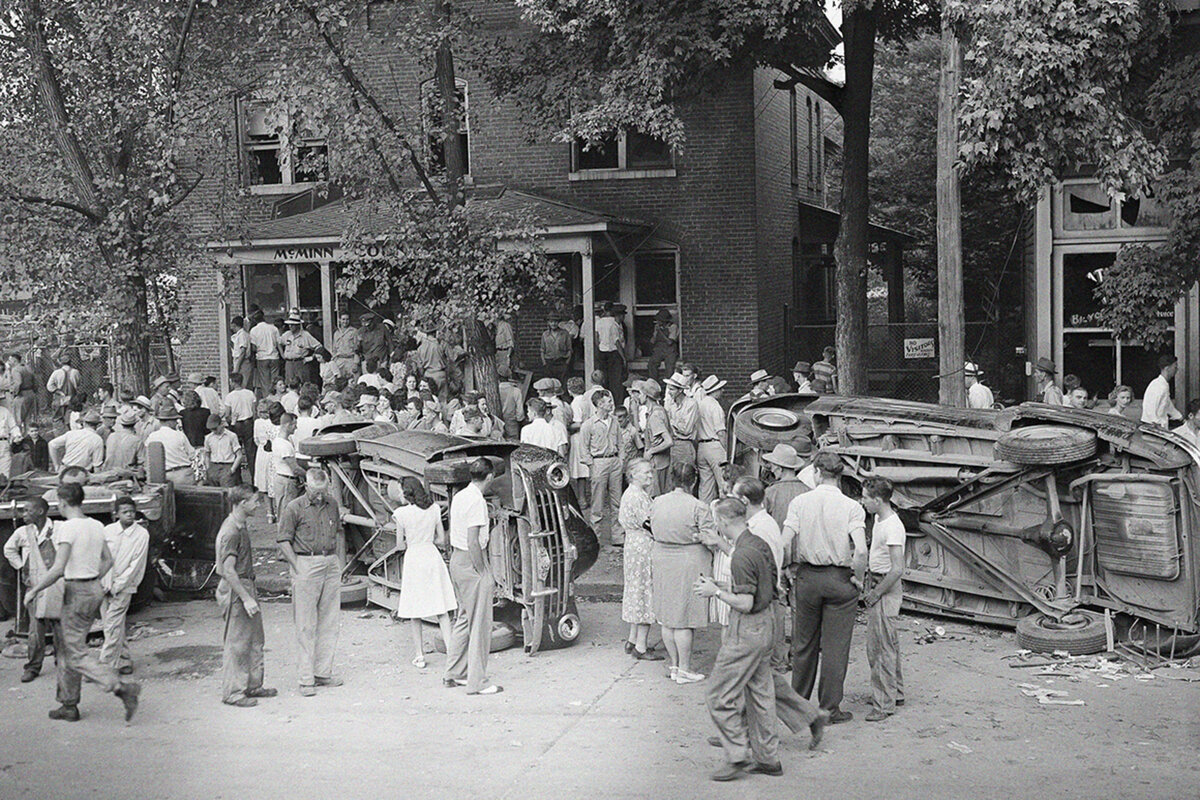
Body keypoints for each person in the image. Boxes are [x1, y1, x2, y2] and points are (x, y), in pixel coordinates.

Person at [25, 482, 140, 722]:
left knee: (74, 652)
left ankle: (120, 687)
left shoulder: (67, 529)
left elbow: (58, 568)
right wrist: (93, 577)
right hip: (92, 588)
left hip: (76, 590)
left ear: (63, 502)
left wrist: (34, 590)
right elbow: (108, 560)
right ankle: (69, 704)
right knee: (68, 648)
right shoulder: (97, 526)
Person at [695, 497, 784, 781]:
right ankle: (768, 758)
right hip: (766, 624)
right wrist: (720, 585)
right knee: (760, 693)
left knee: (718, 694)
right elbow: (764, 587)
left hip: (746, 630)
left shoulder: (741, 555)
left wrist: (716, 593)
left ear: (721, 522)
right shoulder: (758, 543)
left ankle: (736, 753)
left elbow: (745, 603)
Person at [782, 451, 867, 722]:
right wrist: (859, 578)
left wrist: (784, 569)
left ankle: (798, 705)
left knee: (804, 643)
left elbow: (784, 541)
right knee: (835, 646)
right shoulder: (852, 506)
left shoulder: (800, 502)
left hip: (808, 577)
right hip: (839, 578)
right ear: (839, 475)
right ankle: (830, 708)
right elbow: (862, 551)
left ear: (817, 473)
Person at [277, 468, 344, 696]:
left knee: (329, 621)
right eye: (316, 491)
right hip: (306, 563)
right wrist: (297, 565)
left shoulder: (332, 503)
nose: (320, 496)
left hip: (330, 562)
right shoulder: (294, 507)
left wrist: (339, 562)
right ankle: (306, 679)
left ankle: (323, 673)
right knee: (306, 624)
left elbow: (339, 533)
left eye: (323, 491)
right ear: (306, 486)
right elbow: (284, 540)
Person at [650, 462, 714, 684]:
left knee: (668, 617)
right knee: (684, 618)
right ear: (694, 481)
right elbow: (709, 538)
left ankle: (675, 665)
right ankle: (685, 668)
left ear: (672, 480)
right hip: (688, 560)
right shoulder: (699, 506)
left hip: (661, 557)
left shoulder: (657, 502)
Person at [444, 458, 503, 695]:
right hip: (471, 561)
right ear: (489, 477)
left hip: (457, 561)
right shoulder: (477, 502)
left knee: (464, 619)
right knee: (480, 622)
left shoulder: (460, 496)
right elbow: (473, 541)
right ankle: (477, 681)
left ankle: (454, 672)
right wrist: (484, 572)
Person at [215, 485, 277, 707]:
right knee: (238, 642)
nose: (258, 504)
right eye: (255, 501)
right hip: (236, 588)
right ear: (242, 504)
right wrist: (246, 598)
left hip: (245, 584)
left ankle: (252, 685)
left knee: (254, 639)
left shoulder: (239, 525)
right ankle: (233, 692)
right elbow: (227, 570)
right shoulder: (231, 531)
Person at [392, 477, 457, 670]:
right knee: (441, 608)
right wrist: (426, 539)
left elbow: (399, 544)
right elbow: (441, 538)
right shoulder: (434, 509)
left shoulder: (401, 514)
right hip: (431, 556)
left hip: (414, 558)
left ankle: (419, 656)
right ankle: (452, 654)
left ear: (406, 492)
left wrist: (412, 541)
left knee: (415, 611)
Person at [860, 477, 906, 722]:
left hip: (885, 585)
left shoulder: (892, 526)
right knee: (887, 642)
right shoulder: (879, 519)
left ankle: (884, 703)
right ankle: (894, 692)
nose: (862, 501)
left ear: (877, 500)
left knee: (880, 647)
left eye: (865, 497)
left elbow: (897, 569)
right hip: (878, 580)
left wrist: (876, 593)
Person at [732, 476, 789, 674]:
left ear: (745, 501)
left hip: (764, 596)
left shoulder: (760, 528)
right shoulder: (763, 522)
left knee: (764, 658)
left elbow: (761, 567)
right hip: (767, 592)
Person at [4, 497, 62, 684]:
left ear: (40, 511)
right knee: (35, 629)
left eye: (27, 511)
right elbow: (9, 549)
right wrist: (22, 566)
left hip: (55, 584)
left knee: (60, 627)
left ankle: (62, 663)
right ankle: (33, 666)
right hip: (34, 587)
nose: (23, 515)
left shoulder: (59, 529)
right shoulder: (23, 532)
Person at [618, 459, 664, 661]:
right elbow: (649, 524)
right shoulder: (637, 497)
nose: (650, 476)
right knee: (645, 592)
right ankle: (641, 646)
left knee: (636, 589)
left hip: (633, 545)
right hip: (643, 546)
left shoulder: (631, 493)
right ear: (634, 474)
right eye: (646, 473)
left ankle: (632, 639)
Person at [99, 496, 149, 675]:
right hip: (104, 583)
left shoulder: (142, 534)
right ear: (116, 514)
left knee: (112, 623)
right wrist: (103, 582)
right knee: (112, 624)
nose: (129, 515)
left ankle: (104, 666)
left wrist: (118, 585)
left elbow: (136, 564)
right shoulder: (108, 531)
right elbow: (102, 558)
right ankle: (124, 660)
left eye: (132, 512)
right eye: (125, 512)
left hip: (125, 584)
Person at [581, 389, 624, 548]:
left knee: (616, 500)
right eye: (609, 402)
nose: (612, 404)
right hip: (598, 462)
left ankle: (618, 536)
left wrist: (621, 460)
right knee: (597, 502)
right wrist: (591, 466)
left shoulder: (614, 421)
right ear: (599, 404)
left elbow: (621, 442)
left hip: (614, 462)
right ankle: (596, 538)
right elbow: (584, 448)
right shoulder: (588, 424)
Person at [694, 375, 728, 504]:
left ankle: (705, 514)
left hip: (702, 447)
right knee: (723, 483)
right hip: (715, 446)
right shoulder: (715, 406)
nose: (722, 391)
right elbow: (721, 432)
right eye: (720, 389)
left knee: (705, 487)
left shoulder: (699, 404)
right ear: (715, 391)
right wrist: (727, 451)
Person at [761, 443, 811, 528]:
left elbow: (762, 523)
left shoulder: (770, 492)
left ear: (780, 469)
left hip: (778, 539)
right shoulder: (808, 491)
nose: (772, 470)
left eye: (773, 466)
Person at [637, 379, 673, 495]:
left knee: (656, 496)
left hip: (658, 463)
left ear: (646, 396)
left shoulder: (655, 415)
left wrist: (650, 451)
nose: (638, 396)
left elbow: (668, 441)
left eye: (640, 393)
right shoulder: (658, 410)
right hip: (661, 462)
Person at [143, 409, 196, 486]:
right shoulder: (179, 435)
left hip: (163, 474)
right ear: (170, 422)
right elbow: (192, 454)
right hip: (182, 473)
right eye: (175, 421)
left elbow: (147, 457)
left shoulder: (152, 437)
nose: (176, 423)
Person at [225, 373, 257, 475]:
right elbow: (254, 411)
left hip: (236, 424)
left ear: (233, 382)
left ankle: (237, 478)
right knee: (251, 453)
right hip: (248, 422)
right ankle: (254, 478)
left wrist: (230, 420)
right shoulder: (250, 393)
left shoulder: (229, 396)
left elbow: (227, 414)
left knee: (236, 452)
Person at [567, 378, 593, 502]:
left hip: (578, 436)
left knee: (579, 469)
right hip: (588, 435)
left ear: (570, 390)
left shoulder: (576, 402)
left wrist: (568, 426)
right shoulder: (587, 399)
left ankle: (582, 498)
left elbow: (579, 423)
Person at [664, 373, 698, 471]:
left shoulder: (691, 404)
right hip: (671, 445)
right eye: (668, 389)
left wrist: (671, 421)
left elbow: (686, 429)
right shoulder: (671, 404)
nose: (669, 392)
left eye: (672, 389)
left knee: (685, 475)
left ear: (680, 390)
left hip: (685, 445)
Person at [272, 413, 303, 514]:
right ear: (287, 425)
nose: (296, 427)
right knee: (287, 512)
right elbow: (295, 469)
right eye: (294, 424)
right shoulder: (283, 444)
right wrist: (309, 475)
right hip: (287, 481)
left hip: (284, 480)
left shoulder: (283, 440)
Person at [596, 303, 627, 403]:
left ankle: (606, 400)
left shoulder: (599, 322)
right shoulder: (613, 324)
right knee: (616, 380)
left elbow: (596, 338)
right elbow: (617, 342)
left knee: (605, 379)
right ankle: (616, 402)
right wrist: (623, 358)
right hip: (614, 353)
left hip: (602, 352)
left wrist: (599, 347)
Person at [1142, 354, 1183, 428]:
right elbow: (1150, 408)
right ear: (1167, 368)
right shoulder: (1157, 385)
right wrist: (1157, 424)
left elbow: (1167, 404)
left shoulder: (1164, 385)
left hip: (1161, 426)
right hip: (1153, 427)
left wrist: (1180, 417)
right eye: (1175, 367)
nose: (1176, 370)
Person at [204, 414, 244, 487]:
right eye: (211, 429)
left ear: (221, 424)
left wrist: (232, 470)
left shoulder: (231, 436)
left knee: (228, 494)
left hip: (228, 465)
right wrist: (208, 469)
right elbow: (207, 455)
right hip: (214, 466)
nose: (213, 431)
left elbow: (239, 455)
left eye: (215, 428)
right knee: (214, 494)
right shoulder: (208, 438)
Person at [250, 311, 283, 397]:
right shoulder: (273, 328)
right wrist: (282, 355)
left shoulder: (254, 330)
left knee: (265, 382)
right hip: (274, 357)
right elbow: (279, 343)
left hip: (262, 358)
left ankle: (268, 399)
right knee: (275, 380)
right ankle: (276, 398)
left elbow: (253, 347)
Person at [46, 353, 80, 425]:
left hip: (60, 399)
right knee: (71, 418)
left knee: (57, 419)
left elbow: (49, 386)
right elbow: (79, 383)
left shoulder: (56, 372)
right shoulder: (75, 372)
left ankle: (59, 433)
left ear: (61, 363)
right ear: (70, 362)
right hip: (72, 399)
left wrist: (57, 391)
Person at [647, 309, 679, 383]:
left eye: (659, 320)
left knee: (670, 369)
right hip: (659, 350)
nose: (658, 322)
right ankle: (653, 383)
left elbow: (670, 342)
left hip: (670, 351)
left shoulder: (673, 327)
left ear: (664, 321)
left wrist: (660, 332)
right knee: (651, 364)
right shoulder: (658, 327)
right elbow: (652, 341)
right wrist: (655, 333)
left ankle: (669, 386)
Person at [8, 352, 36, 428]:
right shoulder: (27, 367)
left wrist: (14, 394)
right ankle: (27, 437)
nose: (9, 363)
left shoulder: (15, 369)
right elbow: (35, 380)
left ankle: (19, 437)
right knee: (28, 419)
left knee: (18, 419)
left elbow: (18, 382)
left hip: (21, 395)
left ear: (14, 361)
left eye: (10, 361)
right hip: (31, 393)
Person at [540, 312, 571, 382]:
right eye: (551, 321)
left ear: (558, 322)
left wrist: (566, 363)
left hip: (561, 362)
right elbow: (542, 350)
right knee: (550, 384)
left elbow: (569, 349)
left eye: (555, 321)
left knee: (562, 383)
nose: (553, 324)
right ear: (548, 322)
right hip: (549, 363)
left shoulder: (565, 333)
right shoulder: (545, 335)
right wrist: (544, 363)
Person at [331, 311, 361, 379]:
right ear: (339, 320)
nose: (345, 321)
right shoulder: (336, 333)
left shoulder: (354, 331)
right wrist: (334, 361)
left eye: (347, 319)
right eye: (343, 319)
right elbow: (334, 349)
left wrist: (356, 363)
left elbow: (357, 348)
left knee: (352, 381)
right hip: (339, 360)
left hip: (350, 360)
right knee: (340, 381)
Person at [496, 365, 524, 438]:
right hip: (511, 423)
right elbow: (520, 413)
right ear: (509, 376)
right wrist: (519, 420)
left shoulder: (494, 391)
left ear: (498, 376)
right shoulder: (516, 390)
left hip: (496, 422)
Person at [616, 406, 642, 472]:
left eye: (621, 419)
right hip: (618, 467)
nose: (618, 421)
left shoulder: (633, 431)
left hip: (631, 466)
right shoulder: (615, 431)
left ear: (627, 418)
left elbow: (640, 448)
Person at [0, 400, 21, 480]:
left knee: (5, 475)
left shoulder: (5, 411)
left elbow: (13, 427)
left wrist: (17, 436)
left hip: (3, 444)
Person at [231, 315, 252, 392]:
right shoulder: (239, 335)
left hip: (243, 362)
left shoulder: (242, 335)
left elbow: (243, 352)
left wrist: (237, 367)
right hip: (240, 361)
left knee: (243, 384)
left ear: (234, 325)